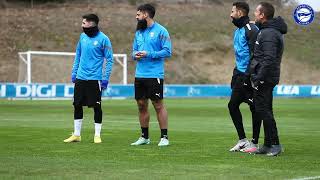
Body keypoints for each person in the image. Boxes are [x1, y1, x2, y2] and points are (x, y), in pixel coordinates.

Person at [63, 14, 114, 144]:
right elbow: (78, 55)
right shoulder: (82, 37)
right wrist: (74, 73)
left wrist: (105, 78)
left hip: (95, 79)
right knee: (77, 105)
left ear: (92, 24)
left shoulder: (104, 39)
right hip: (81, 77)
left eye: (84, 23)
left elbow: (109, 60)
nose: (82, 25)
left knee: (97, 107)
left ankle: (97, 135)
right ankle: (76, 135)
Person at [130, 4, 172, 146]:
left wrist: (149, 54)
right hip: (139, 74)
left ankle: (164, 137)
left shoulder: (161, 31)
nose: (136, 17)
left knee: (158, 105)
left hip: (154, 74)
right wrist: (136, 55)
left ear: (146, 14)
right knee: (141, 105)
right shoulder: (138, 32)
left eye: (138, 14)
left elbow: (167, 51)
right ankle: (144, 137)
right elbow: (133, 51)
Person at [250, 2, 287, 156]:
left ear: (262, 15)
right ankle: (267, 145)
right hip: (265, 76)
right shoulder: (267, 31)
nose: (254, 15)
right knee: (264, 109)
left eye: (256, 12)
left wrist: (258, 78)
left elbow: (269, 59)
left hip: (265, 78)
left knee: (263, 110)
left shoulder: (269, 33)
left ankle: (276, 144)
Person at [228, 2, 261, 153]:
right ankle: (242, 140)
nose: (231, 14)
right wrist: (236, 74)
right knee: (232, 105)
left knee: (255, 108)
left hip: (249, 77)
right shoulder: (238, 31)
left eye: (233, 11)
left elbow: (255, 55)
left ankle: (254, 142)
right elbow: (240, 56)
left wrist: (249, 76)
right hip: (239, 75)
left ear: (240, 13)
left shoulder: (251, 29)